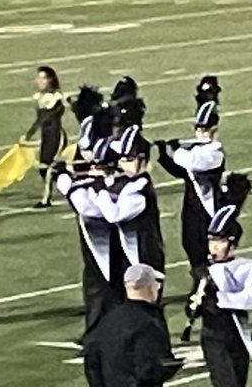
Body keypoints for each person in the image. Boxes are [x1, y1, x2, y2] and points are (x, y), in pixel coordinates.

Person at [188, 204, 252, 387]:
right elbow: (192, 307)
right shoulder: (201, 271)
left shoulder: (247, 268)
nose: (213, 246)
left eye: (218, 241)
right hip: (213, 338)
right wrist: (195, 303)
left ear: (231, 243)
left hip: (238, 338)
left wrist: (219, 297)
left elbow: (251, 299)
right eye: (211, 240)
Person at [82, 264, 180, 387]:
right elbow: (150, 369)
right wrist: (173, 366)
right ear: (149, 287)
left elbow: (91, 360)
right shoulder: (149, 322)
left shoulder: (108, 319)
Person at [155, 76, 225, 303]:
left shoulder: (214, 154)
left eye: (206, 128)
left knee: (206, 255)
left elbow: (190, 162)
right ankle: (199, 284)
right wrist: (163, 156)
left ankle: (207, 290)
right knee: (190, 246)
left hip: (207, 212)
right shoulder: (197, 151)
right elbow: (182, 172)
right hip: (191, 210)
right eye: (198, 127)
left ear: (214, 129)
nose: (201, 131)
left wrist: (176, 149)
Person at [55, 138, 119, 334]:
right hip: (98, 251)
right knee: (96, 291)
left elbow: (84, 206)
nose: (91, 170)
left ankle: (100, 334)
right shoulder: (100, 185)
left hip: (109, 251)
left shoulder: (112, 187)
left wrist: (66, 179)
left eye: (96, 166)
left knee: (104, 292)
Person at [97, 124, 165, 290]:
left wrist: (99, 189)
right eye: (121, 159)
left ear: (142, 160)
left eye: (129, 159)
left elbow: (114, 215)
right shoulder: (131, 183)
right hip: (133, 260)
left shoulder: (138, 189)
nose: (122, 164)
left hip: (143, 261)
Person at [24, 65, 66, 208]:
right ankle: (65, 183)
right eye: (39, 78)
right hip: (46, 135)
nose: (39, 81)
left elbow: (46, 118)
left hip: (55, 134)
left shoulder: (55, 97)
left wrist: (29, 135)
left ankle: (46, 199)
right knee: (44, 168)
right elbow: (40, 119)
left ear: (50, 80)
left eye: (43, 78)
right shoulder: (39, 97)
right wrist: (29, 134)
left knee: (48, 166)